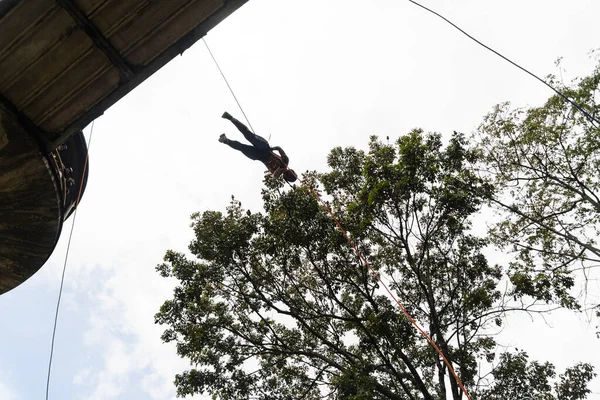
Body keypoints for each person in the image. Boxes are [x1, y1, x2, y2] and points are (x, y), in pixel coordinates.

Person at [219, 112, 297, 182]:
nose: (287, 175)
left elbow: (274, 175)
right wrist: (271, 149)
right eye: (289, 175)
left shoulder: (276, 174)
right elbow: (279, 148)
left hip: (258, 156)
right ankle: (231, 118)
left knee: (242, 148)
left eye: (288, 177)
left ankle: (226, 141)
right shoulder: (285, 161)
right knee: (248, 135)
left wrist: (279, 169)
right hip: (265, 148)